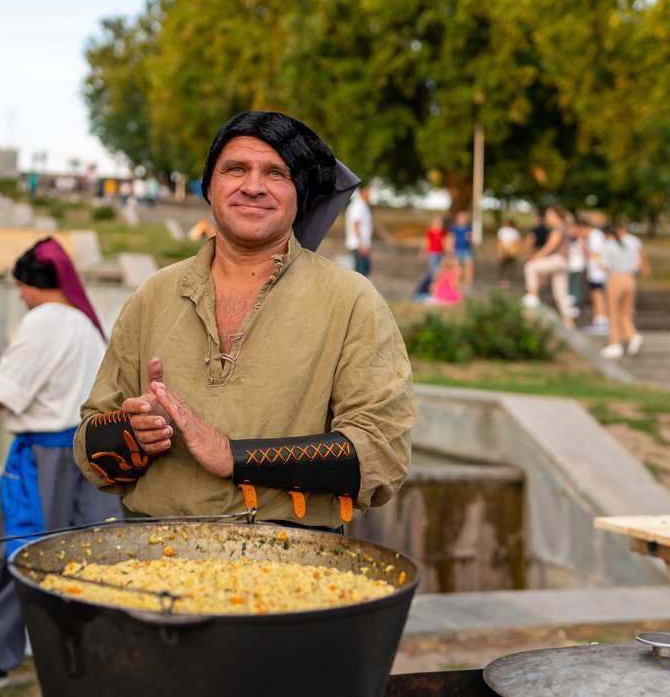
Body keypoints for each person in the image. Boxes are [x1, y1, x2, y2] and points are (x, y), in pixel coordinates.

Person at [73, 111, 414, 534]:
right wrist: (134, 433)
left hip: (297, 567)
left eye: (276, 173)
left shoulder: (350, 300)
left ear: (298, 195)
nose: (252, 186)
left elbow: (381, 451)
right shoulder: (154, 295)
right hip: (158, 556)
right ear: (210, 186)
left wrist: (232, 456)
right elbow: (88, 443)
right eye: (236, 168)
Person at [0, 238, 123, 689]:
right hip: (90, 458)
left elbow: (3, 389)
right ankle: (88, 654)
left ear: (37, 285)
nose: (19, 295)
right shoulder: (85, 325)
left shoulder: (44, 321)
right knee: (83, 558)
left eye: (22, 287)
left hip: (44, 461)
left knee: (16, 551)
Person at [521, 207, 573, 326]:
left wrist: (537, 256)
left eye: (549, 215)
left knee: (530, 266)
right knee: (560, 293)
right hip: (564, 262)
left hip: (558, 259)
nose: (548, 217)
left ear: (555, 215)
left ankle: (533, 295)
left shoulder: (558, 228)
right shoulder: (565, 226)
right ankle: (568, 321)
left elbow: (551, 246)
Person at [599, 224, 645, 358]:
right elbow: (638, 263)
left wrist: (595, 259)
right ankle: (633, 336)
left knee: (613, 312)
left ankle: (615, 344)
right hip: (630, 278)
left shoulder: (608, 246)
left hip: (616, 278)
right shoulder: (628, 245)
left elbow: (606, 267)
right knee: (625, 312)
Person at [583, 221, 610, 334]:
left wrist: (584, 247)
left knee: (598, 294)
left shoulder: (595, 236)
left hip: (598, 273)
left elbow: (597, 253)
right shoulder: (593, 236)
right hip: (595, 272)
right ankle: (599, 319)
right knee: (596, 294)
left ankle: (601, 319)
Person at [415, 215, 448, 298]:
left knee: (438, 270)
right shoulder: (430, 231)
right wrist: (422, 252)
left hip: (440, 253)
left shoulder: (442, 231)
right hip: (432, 253)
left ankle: (436, 287)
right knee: (433, 270)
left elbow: (445, 241)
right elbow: (427, 242)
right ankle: (429, 285)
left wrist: (446, 250)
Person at [345, 184, 374, 276]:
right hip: (359, 244)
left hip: (361, 244)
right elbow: (355, 224)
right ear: (363, 192)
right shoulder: (358, 205)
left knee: (361, 270)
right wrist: (361, 244)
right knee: (362, 271)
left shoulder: (362, 205)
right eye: (369, 192)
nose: (370, 195)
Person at [450, 210, 475, 289]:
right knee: (457, 267)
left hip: (467, 249)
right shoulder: (454, 228)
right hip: (457, 249)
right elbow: (451, 238)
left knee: (469, 265)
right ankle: (457, 283)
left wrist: (470, 238)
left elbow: (471, 239)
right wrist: (451, 247)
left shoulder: (469, 228)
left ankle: (468, 283)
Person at [496, 217, 522, 287]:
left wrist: (503, 250)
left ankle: (505, 279)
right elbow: (517, 242)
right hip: (510, 250)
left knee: (506, 265)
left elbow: (500, 241)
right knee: (508, 265)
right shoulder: (514, 231)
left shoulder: (503, 230)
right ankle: (507, 279)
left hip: (508, 250)